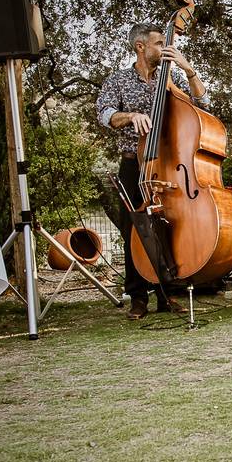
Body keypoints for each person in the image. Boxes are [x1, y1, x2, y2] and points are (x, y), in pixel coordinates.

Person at [97, 22, 209, 319]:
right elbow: (105, 114)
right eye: (160, 43)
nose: (165, 48)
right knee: (136, 230)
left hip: (172, 166)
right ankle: (137, 297)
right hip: (135, 164)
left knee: (168, 226)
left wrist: (189, 70)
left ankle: (167, 294)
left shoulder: (170, 80)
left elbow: (204, 104)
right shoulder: (118, 80)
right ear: (140, 47)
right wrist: (131, 116)